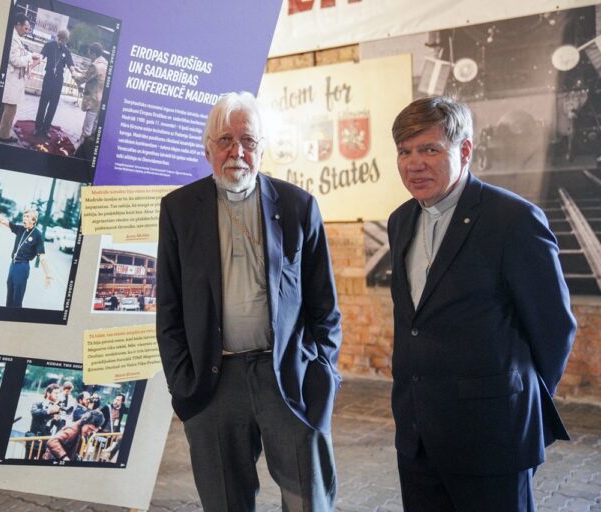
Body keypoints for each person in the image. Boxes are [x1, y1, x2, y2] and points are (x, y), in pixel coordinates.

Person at [387, 96, 576, 511]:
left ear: (465, 150)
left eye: (430, 149)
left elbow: (554, 328)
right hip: (418, 437)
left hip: (493, 438)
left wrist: (515, 399)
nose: (414, 163)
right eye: (405, 151)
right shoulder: (401, 221)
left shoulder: (513, 220)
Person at [156, 91, 342, 511]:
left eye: (249, 140)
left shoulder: (298, 207)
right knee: (225, 502)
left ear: (262, 148)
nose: (237, 151)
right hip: (213, 383)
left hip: (287, 380)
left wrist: (322, 375)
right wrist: (183, 384)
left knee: (307, 500)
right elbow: (169, 310)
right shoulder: (179, 210)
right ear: (207, 149)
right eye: (225, 140)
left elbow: (324, 308)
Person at [0, 205, 53, 308]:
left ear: (34, 220)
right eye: (24, 216)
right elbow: (2, 220)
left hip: (22, 267)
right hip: (13, 265)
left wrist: (48, 275)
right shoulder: (20, 229)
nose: (24, 218)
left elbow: (42, 257)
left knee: (17, 299)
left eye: (27, 216)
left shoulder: (37, 235)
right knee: (9, 296)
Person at [0, 14, 41, 144]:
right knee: (10, 109)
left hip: (12, 78)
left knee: (4, 107)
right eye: (25, 28)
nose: (27, 32)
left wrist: (29, 55)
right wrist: (30, 57)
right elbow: (15, 60)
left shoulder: (14, 37)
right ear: (18, 25)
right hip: (12, 79)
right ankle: (3, 135)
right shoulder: (13, 38)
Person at [34, 29, 77, 138]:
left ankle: (45, 129)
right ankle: (38, 128)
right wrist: (35, 61)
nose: (62, 41)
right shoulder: (49, 45)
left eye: (64, 40)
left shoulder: (66, 51)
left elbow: (70, 65)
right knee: (43, 103)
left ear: (66, 40)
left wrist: (75, 74)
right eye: (60, 38)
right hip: (49, 77)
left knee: (53, 106)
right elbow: (42, 56)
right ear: (58, 36)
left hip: (58, 81)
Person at [72, 42, 108, 154]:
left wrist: (73, 72)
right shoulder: (105, 63)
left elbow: (82, 79)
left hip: (93, 101)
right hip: (101, 100)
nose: (89, 56)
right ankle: (89, 149)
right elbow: (91, 74)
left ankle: (80, 150)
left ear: (94, 53)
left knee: (87, 128)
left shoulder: (95, 66)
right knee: (94, 128)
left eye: (90, 54)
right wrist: (81, 70)